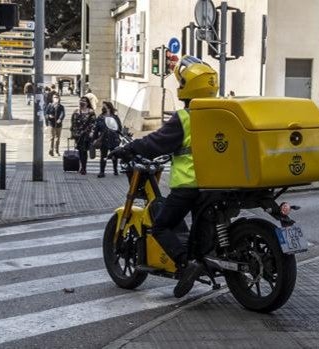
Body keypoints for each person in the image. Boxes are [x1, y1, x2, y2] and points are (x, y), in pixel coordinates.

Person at [110, 56, 219, 298]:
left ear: (187, 87)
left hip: (189, 185)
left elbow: (156, 142)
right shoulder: (220, 114)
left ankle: (185, 263)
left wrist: (129, 149)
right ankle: (201, 259)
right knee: (203, 229)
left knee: (160, 225)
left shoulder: (185, 118)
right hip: (217, 183)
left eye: (181, 83)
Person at [93, 101, 122, 178]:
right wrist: (95, 139)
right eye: (102, 106)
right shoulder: (100, 117)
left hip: (113, 139)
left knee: (114, 155)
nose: (102, 108)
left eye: (104, 106)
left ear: (109, 107)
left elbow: (119, 128)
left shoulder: (115, 117)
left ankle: (115, 170)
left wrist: (117, 134)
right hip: (104, 139)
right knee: (103, 156)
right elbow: (96, 129)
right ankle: (102, 172)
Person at [70, 96, 96, 175]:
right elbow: (73, 123)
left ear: (87, 103)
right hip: (78, 135)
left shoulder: (91, 112)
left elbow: (94, 123)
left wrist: (92, 133)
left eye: (84, 101)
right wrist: (72, 133)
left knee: (84, 151)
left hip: (86, 135)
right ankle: (82, 166)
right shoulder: (76, 111)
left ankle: (83, 168)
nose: (82, 102)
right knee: (81, 151)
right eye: (81, 101)